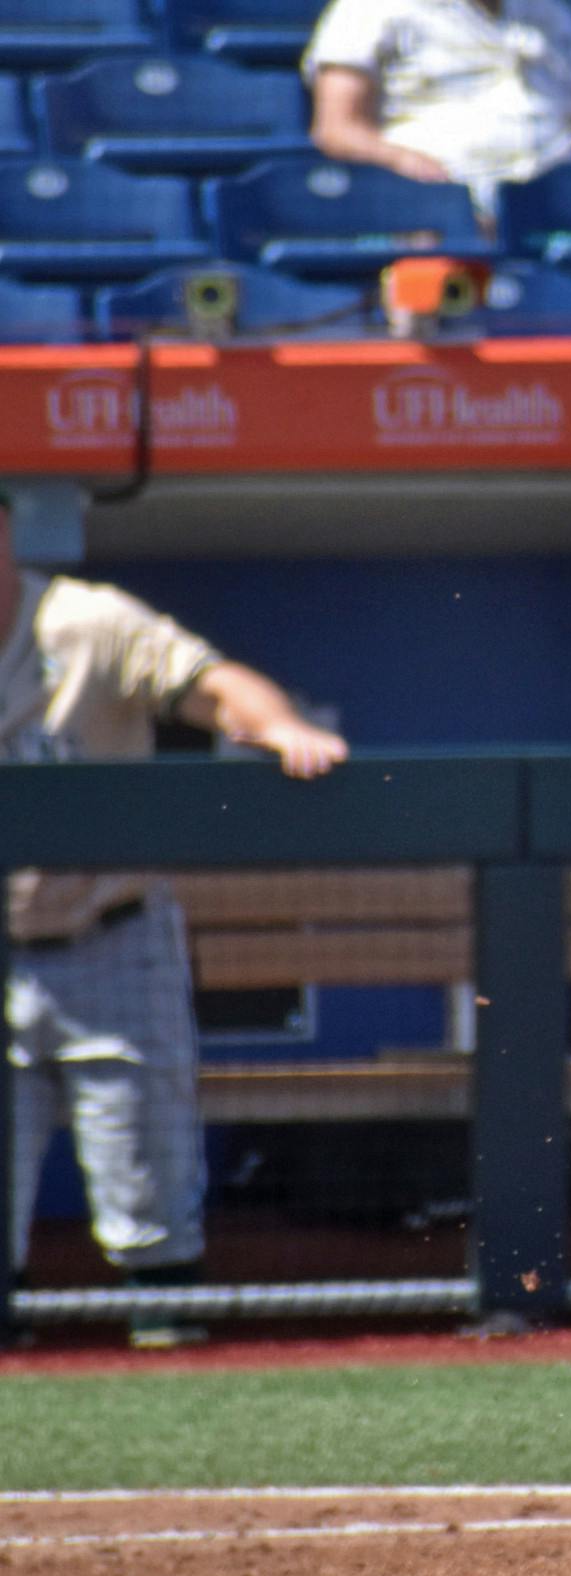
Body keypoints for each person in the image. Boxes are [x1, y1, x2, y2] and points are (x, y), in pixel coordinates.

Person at [2, 489, 349, 1349]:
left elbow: (209, 683)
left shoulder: (83, 620)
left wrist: (275, 727)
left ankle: (171, 1374)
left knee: (148, 1199)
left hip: (109, 937)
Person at [303, 0, 571, 220]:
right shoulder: (373, 9)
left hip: (560, 195)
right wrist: (404, 162)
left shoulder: (548, 14)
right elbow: (337, 128)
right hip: (441, 200)